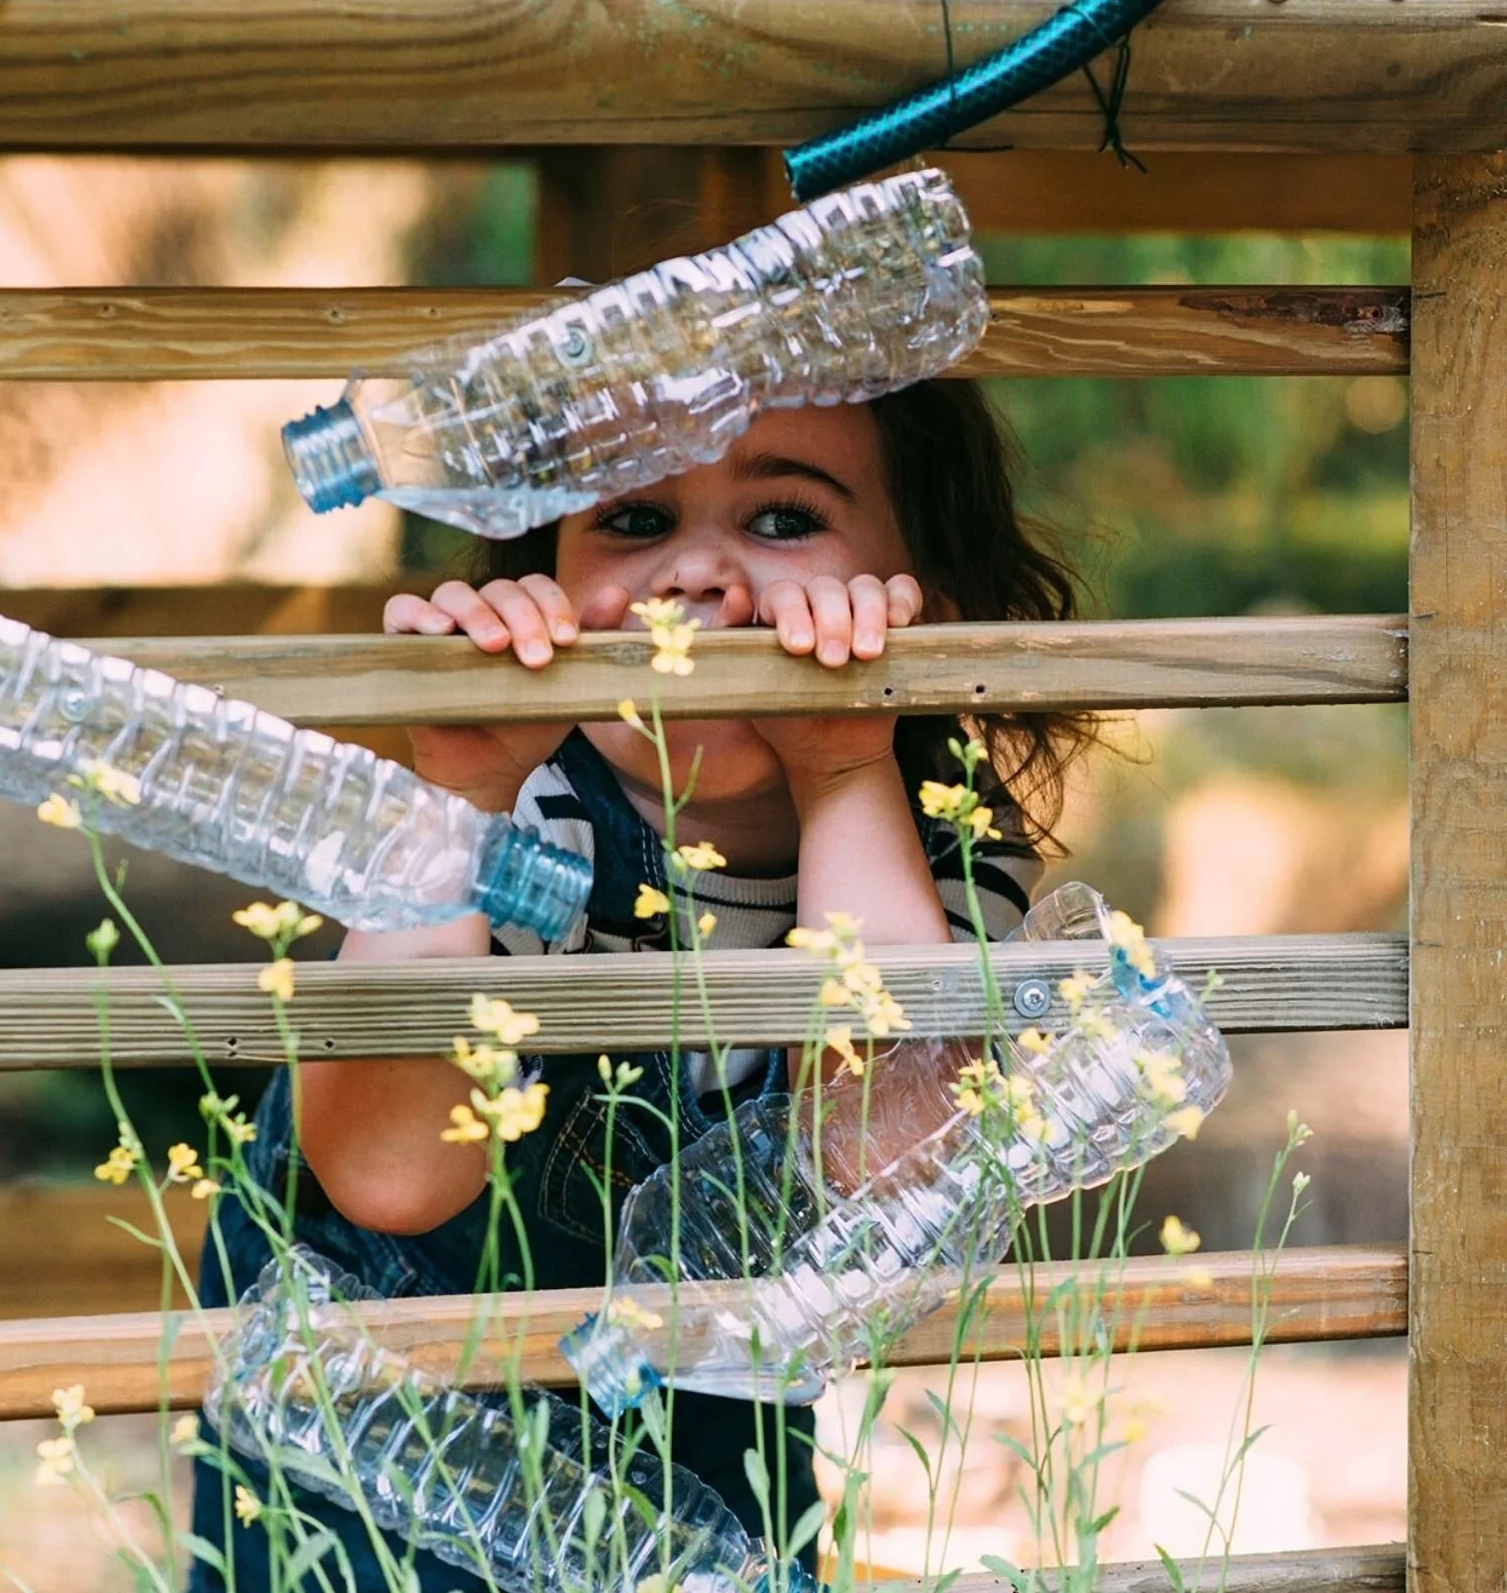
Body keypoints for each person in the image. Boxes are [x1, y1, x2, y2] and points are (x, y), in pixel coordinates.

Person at [189, 378, 1089, 1590]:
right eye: (628, 520)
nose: (692, 575)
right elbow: (391, 1179)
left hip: (694, 1422)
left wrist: (841, 768)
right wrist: (454, 801)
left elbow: (876, 1162)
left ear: (932, 601)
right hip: (374, 1418)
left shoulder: (941, 866)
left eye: (781, 521)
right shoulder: (522, 817)